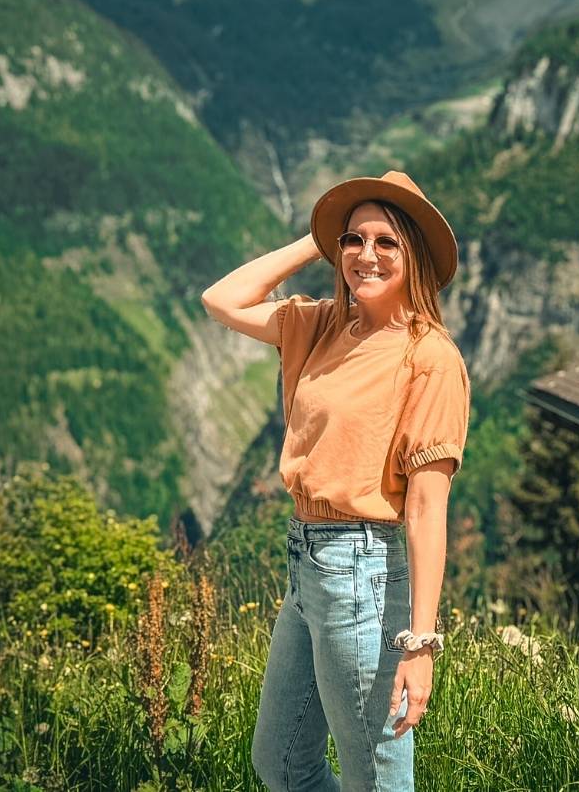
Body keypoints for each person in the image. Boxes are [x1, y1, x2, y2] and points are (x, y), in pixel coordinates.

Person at [201, 169, 471, 792]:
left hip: (363, 572)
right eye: (353, 239)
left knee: (374, 779)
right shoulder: (320, 325)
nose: (365, 255)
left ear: (417, 256)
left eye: (387, 242)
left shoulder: (428, 358)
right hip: (307, 563)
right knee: (282, 762)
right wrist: (318, 241)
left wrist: (420, 644)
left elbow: (428, 509)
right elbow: (223, 299)